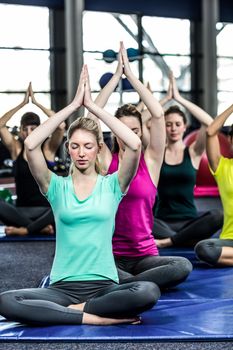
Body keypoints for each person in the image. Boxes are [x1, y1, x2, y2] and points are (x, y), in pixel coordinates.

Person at [0, 65, 160, 326]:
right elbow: (31, 144)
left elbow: (134, 143)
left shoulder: (113, 185)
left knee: (148, 291)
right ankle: (93, 318)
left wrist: (95, 109)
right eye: (75, 146)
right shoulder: (55, 187)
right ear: (68, 150)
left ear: (99, 149)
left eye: (88, 146)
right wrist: (74, 105)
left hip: (106, 285)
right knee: (6, 300)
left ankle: (77, 311)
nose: (82, 152)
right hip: (62, 288)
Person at [87, 42, 192, 289]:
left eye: (134, 130)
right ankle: (137, 285)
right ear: (113, 132)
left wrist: (131, 76)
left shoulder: (152, 160)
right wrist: (115, 78)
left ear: (141, 132)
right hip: (112, 257)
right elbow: (92, 116)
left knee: (182, 266)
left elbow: (157, 115)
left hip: (146, 255)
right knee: (97, 269)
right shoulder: (104, 160)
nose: (129, 136)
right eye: (122, 130)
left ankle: (129, 285)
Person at [153, 73, 223, 248]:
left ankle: (171, 242)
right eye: (168, 124)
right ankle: (184, 239)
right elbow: (142, 119)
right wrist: (164, 100)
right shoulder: (155, 153)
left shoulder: (194, 152)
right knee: (134, 214)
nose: (173, 128)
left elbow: (209, 123)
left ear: (185, 127)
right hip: (161, 223)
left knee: (217, 216)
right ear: (163, 127)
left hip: (190, 222)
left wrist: (179, 99)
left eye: (177, 124)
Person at [0, 82, 65, 236]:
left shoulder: (48, 149)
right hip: (21, 212)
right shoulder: (16, 149)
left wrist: (37, 103)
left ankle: (26, 230)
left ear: (40, 129)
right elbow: (0, 125)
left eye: (33, 129)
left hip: (46, 211)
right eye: (25, 129)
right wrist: (22, 104)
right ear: (21, 132)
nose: (29, 132)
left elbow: (61, 125)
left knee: (63, 204)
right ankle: (38, 228)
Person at [194, 104, 233, 266]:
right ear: (230, 139)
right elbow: (211, 131)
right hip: (230, 240)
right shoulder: (222, 166)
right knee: (203, 248)